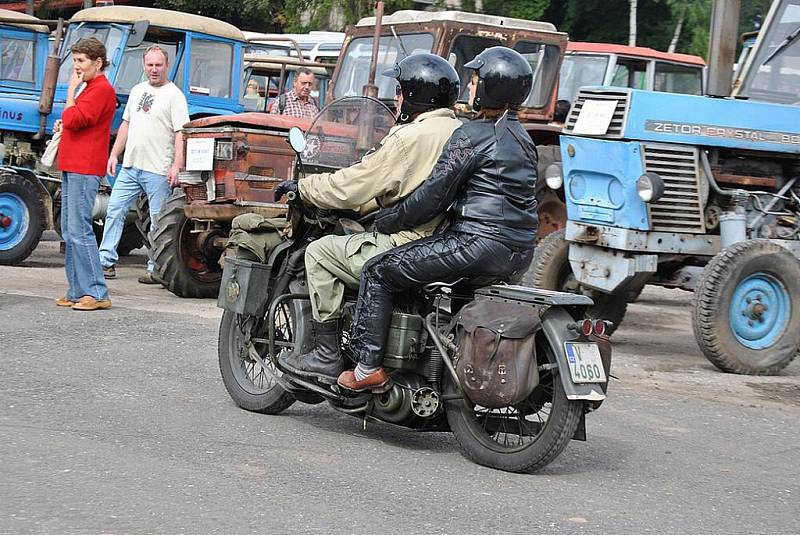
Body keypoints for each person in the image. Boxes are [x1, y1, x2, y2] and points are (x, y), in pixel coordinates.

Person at [337, 47, 539, 392]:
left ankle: (366, 367)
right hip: (520, 251)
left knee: (378, 270)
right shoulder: (525, 140)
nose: (471, 88)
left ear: (490, 87)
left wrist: (387, 220)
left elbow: (432, 197)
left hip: (475, 244)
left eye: (476, 80)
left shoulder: (473, 136)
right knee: (454, 299)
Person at [273, 53, 462, 384]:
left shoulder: (410, 137)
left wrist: (305, 187)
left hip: (406, 243)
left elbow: (353, 186)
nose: (398, 97)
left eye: (402, 90)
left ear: (419, 94)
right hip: (447, 244)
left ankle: (326, 355)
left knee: (320, 252)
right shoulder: (461, 131)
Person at [98, 45, 189, 284]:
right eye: (150, 65)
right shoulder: (137, 91)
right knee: (114, 210)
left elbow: (181, 132)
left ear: (167, 66)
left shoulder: (175, 95)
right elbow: (126, 125)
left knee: (158, 220)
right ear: (144, 65)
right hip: (130, 166)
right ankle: (105, 261)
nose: (154, 69)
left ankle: (155, 267)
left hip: (157, 168)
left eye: (159, 65)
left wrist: (176, 166)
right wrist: (114, 154)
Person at [54, 37, 116, 311]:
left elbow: (75, 119)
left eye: (81, 61)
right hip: (75, 164)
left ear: (98, 62)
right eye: (75, 61)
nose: (76, 67)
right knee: (70, 229)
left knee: (79, 229)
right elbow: (74, 119)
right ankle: (78, 290)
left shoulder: (99, 89)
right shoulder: (92, 88)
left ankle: (96, 292)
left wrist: (70, 94)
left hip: (84, 165)